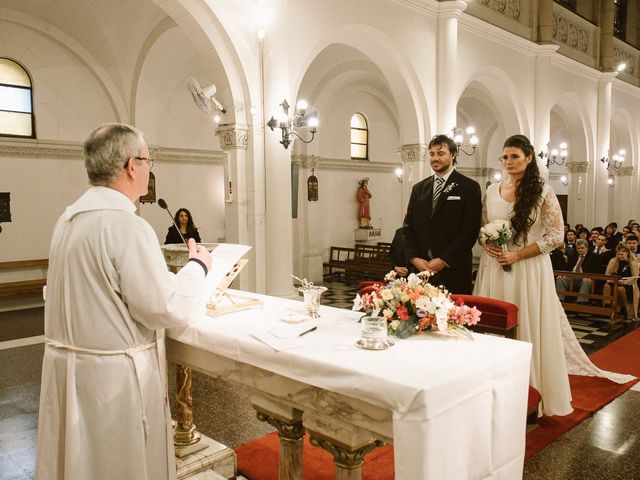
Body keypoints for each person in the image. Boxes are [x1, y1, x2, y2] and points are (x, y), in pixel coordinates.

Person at [35, 123, 212, 480]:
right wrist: (198, 266)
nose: (149, 168)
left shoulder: (68, 219)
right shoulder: (125, 226)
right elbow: (162, 307)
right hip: (111, 384)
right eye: (148, 160)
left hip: (71, 374)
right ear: (132, 165)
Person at [474, 134, 634, 417]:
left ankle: (530, 393)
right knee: (495, 324)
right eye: (505, 157)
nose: (509, 162)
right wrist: (488, 243)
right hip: (494, 267)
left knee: (526, 323)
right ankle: (492, 389)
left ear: (529, 158)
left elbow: (556, 236)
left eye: (515, 156)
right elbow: (484, 227)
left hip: (527, 269)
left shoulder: (542, 192)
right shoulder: (491, 190)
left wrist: (518, 254)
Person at [403, 134, 482, 294]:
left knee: (454, 317)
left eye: (441, 153)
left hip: (453, 268)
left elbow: (469, 231)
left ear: (453, 155)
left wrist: (444, 260)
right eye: (432, 154)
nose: (435, 158)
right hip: (421, 269)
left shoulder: (469, 187)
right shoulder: (419, 188)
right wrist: (414, 258)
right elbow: (408, 227)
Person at [555, 238, 600, 303]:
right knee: (560, 279)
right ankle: (559, 301)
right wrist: (563, 275)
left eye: (582, 248)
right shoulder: (572, 256)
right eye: (578, 248)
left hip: (584, 278)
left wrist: (588, 276)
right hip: (571, 277)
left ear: (587, 248)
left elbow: (596, 270)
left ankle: (581, 302)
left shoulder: (594, 257)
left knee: (587, 281)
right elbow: (567, 268)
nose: (580, 250)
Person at [603, 243, 639, 321]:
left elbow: (635, 277)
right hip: (614, 282)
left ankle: (623, 308)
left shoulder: (632, 263)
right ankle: (607, 306)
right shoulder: (613, 261)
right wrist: (611, 280)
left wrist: (624, 282)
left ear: (627, 253)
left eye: (622, 254)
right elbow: (607, 273)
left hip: (628, 284)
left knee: (620, 289)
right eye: (618, 254)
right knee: (606, 286)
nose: (619, 256)